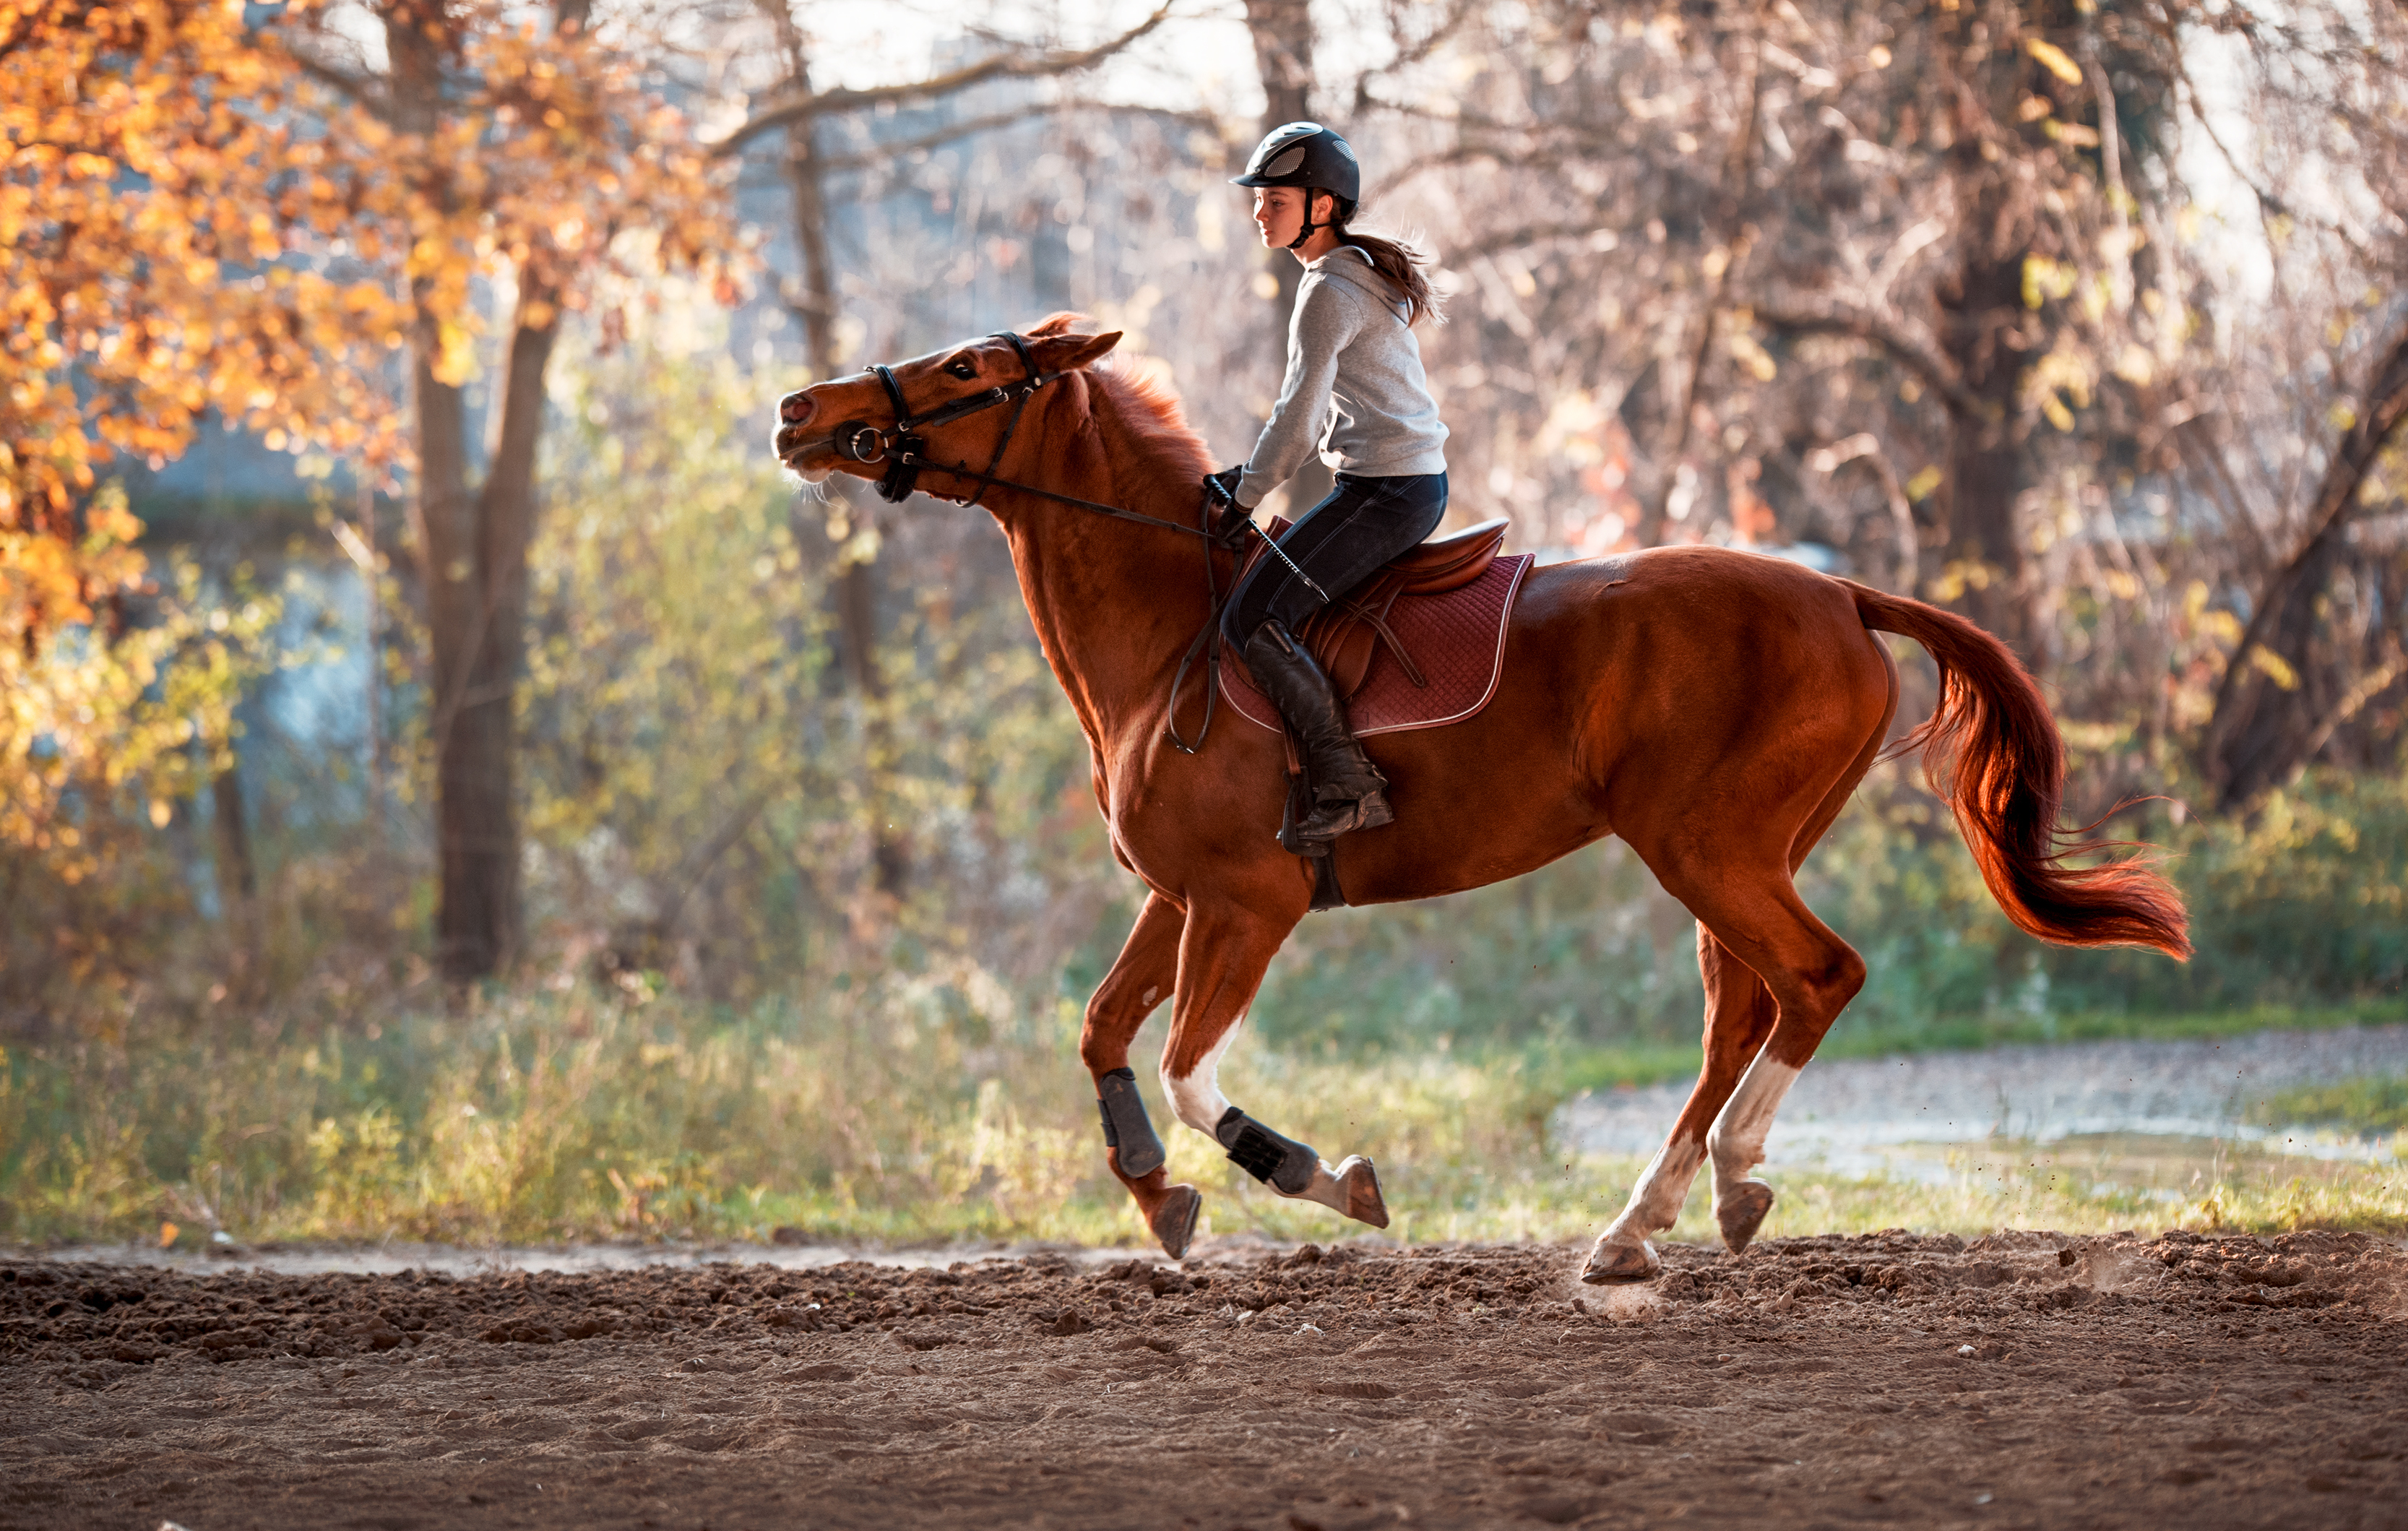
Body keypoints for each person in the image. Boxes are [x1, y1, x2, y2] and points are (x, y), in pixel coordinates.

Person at [1205, 121, 1450, 843]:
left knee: (1250, 621)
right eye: (1259, 199)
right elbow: (1322, 421)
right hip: (1395, 483)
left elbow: (1298, 417)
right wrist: (1246, 479)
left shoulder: (1328, 290)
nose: (1259, 212)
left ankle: (1348, 785)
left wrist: (1245, 498)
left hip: (1390, 493)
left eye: (1275, 199)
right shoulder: (1350, 273)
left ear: (1321, 204)